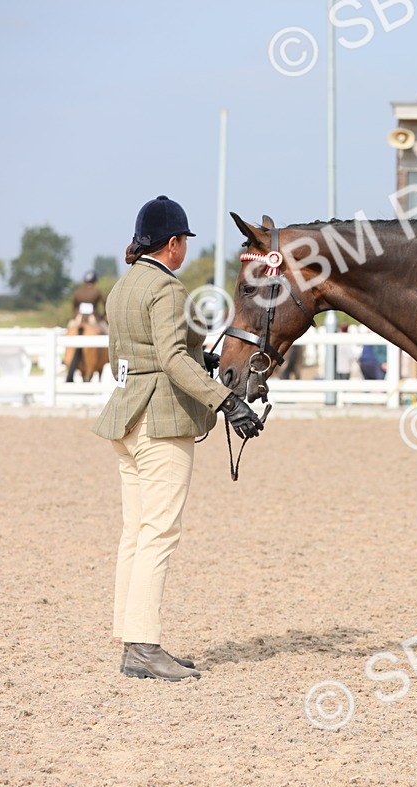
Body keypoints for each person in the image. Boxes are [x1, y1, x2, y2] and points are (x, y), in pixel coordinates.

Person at [93, 195, 264, 682]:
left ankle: (130, 641)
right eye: (184, 241)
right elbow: (170, 358)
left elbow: (130, 358)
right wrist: (226, 401)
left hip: (125, 415)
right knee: (160, 532)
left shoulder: (123, 287)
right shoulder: (168, 290)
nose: (185, 249)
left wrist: (200, 365)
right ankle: (144, 644)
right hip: (160, 422)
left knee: (135, 530)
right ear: (173, 244)